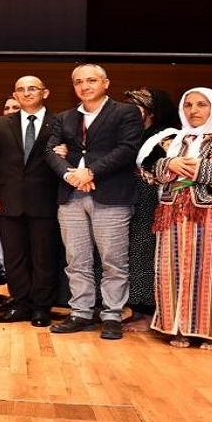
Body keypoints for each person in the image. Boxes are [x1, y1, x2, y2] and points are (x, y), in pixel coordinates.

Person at [139, 88, 212, 350]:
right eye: (189, 104)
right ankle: (180, 327)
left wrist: (199, 168)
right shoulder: (171, 140)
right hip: (175, 212)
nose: (194, 110)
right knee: (176, 269)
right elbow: (146, 167)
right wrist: (168, 165)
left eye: (201, 104)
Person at [46, 64, 142, 340]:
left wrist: (91, 172)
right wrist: (69, 173)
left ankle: (112, 314)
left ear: (106, 83)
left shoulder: (125, 112)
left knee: (113, 260)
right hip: (72, 196)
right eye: (78, 82)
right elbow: (51, 152)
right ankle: (81, 313)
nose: (84, 86)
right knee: (76, 259)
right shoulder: (65, 117)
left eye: (91, 80)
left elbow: (126, 149)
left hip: (111, 195)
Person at [0, 76, 61, 328]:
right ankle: (20, 303)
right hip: (7, 200)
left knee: (44, 256)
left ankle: (41, 307)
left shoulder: (60, 122)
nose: (27, 93)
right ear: (14, 94)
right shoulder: (0, 124)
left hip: (47, 201)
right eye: (21, 90)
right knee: (14, 257)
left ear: (45, 92)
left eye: (32, 88)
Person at [120, 88, 179, 331]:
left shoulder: (167, 136)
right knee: (129, 255)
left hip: (151, 201)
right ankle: (133, 308)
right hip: (126, 199)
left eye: (137, 108)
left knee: (145, 254)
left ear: (152, 112)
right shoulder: (129, 133)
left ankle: (147, 312)